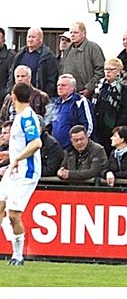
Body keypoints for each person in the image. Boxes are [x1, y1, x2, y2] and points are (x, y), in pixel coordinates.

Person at [0, 82, 43, 265]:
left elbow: (36, 143)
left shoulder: (27, 117)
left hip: (27, 172)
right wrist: (9, 155)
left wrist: (18, 158)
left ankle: (18, 255)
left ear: (13, 96)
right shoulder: (19, 117)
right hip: (14, 170)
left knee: (13, 215)